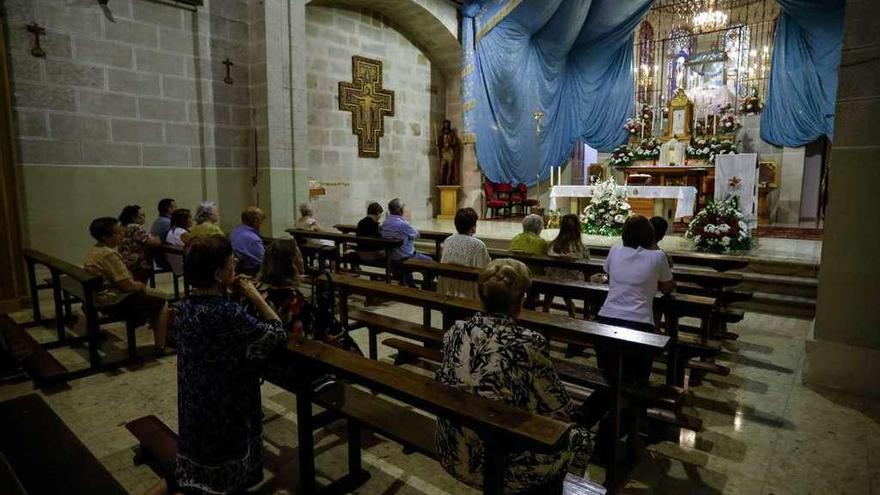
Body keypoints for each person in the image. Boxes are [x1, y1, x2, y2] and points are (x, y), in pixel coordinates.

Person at [436, 259, 592, 493]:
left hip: (452, 448)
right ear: (521, 302)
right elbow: (560, 408)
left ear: (482, 297)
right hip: (497, 461)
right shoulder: (526, 342)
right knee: (578, 437)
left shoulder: (456, 331)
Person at [172, 236, 287, 495]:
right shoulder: (225, 312)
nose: (235, 263)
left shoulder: (187, 306)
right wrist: (256, 297)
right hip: (223, 402)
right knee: (225, 455)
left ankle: (198, 480)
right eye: (229, 262)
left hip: (195, 398)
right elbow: (276, 333)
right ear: (217, 274)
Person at [84, 217, 169, 352]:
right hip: (114, 299)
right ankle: (161, 346)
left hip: (98, 296)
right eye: (118, 233)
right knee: (162, 302)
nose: (122, 235)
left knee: (156, 296)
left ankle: (161, 330)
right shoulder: (109, 254)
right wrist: (140, 285)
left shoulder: (95, 250)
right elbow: (126, 285)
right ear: (105, 237)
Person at [436, 207, 490, 299]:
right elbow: (485, 267)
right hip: (467, 289)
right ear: (472, 227)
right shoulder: (478, 245)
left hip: (447, 286)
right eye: (475, 224)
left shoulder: (448, 240)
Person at [544, 213, 589, 317]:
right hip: (574, 285)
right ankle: (574, 309)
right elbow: (587, 268)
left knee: (555, 276)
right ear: (578, 229)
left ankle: (546, 308)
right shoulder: (581, 249)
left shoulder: (552, 245)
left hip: (551, 283)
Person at [381, 198, 431, 286]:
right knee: (431, 262)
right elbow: (416, 235)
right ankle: (426, 288)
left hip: (391, 257)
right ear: (400, 210)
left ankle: (411, 286)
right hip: (406, 257)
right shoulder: (403, 224)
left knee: (406, 263)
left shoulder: (385, 223)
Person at [118, 205, 162, 283]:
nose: (144, 218)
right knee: (139, 284)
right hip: (138, 263)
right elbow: (152, 242)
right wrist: (158, 239)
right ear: (133, 217)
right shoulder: (136, 227)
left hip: (125, 261)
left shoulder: (121, 227)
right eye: (141, 215)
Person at [230, 207, 266, 277]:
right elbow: (265, 263)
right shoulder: (253, 240)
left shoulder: (235, 232)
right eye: (261, 221)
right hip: (249, 274)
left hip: (236, 272)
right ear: (257, 221)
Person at [165, 208, 192, 276]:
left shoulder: (172, 231)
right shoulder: (183, 233)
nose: (192, 220)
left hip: (175, 264)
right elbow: (195, 248)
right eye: (190, 217)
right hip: (183, 264)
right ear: (184, 220)